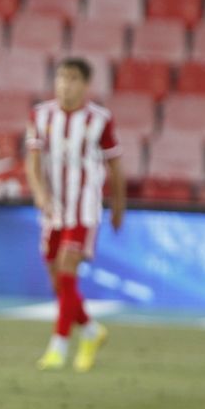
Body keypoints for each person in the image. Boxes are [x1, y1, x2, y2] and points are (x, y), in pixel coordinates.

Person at [25, 57, 124, 372]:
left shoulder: (100, 119)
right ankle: (92, 331)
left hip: (84, 208)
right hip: (53, 209)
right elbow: (33, 160)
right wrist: (39, 193)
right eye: (61, 78)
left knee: (68, 270)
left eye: (73, 79)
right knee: (59, 282)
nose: (66, 85)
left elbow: (115, 166)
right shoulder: (41, 115)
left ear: (85, 84)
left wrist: (118, 206)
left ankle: (58, 346)